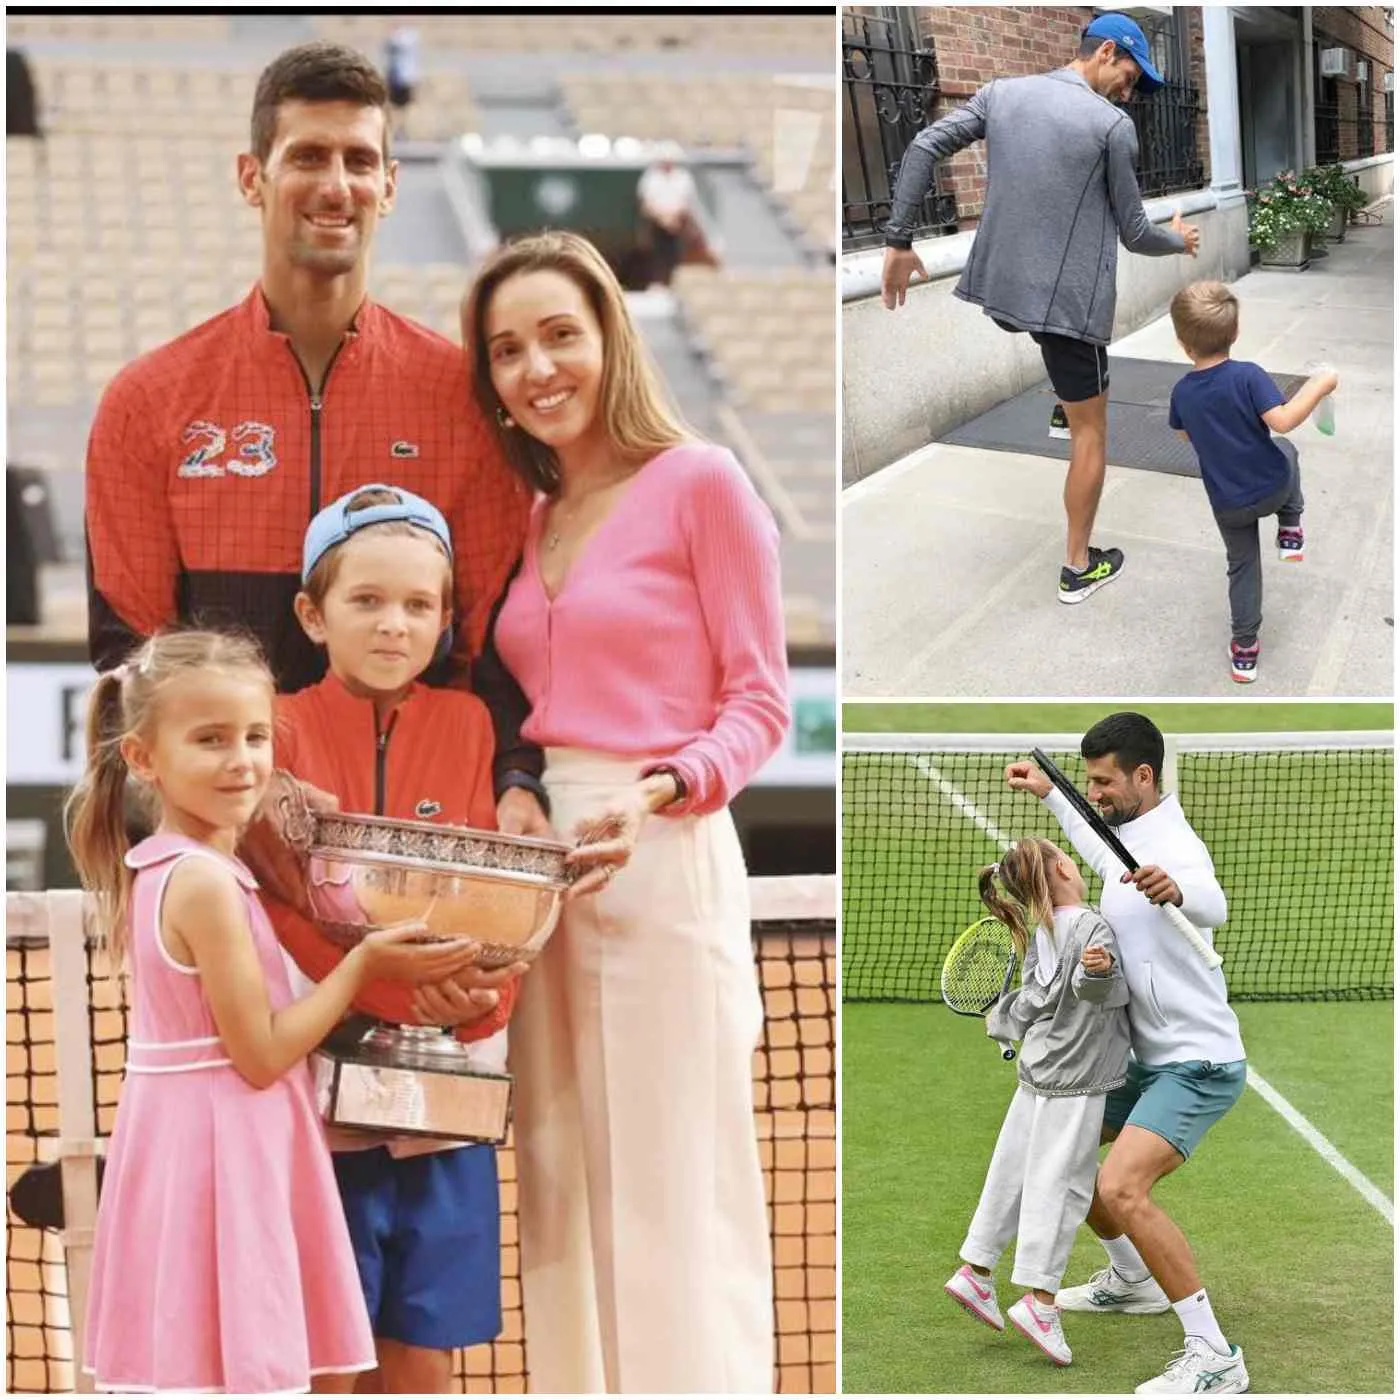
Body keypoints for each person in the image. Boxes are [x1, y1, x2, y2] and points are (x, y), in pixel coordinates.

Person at [461, 229, 790, 1393]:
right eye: (506, 349)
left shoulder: (701, 481)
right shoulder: (525, 512)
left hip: (660, 849)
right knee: (557, 1175)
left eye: (558, 334)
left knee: (668, 1179)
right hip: (541, 864)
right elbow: (514, 697)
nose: (535, 368)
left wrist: (658, 791)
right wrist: (515, 791)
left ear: (610, 334)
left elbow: (760, 701)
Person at [82, 40, 550, 832]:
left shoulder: (464, 401)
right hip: (218, 845)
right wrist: (248, 793)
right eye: (307, 156)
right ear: (251, 177)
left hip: (407, 851)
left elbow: (487, 646)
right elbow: (132, 658)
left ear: (390, 187)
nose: (337, 186)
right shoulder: (147, 402)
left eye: (360, 161)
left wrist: (514, 779)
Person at [65, 629, 477, 1394]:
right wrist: (363, 965)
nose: (242, 760)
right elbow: (259, 1053)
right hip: (226, 1149)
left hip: (202, 1143)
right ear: (146, 758)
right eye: (210, 740)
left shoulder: (175, 868)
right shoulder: (206, 885)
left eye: (255, 737)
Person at [881, 14, 1202, 604]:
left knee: (1057, 363)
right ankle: (1079, 567)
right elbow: (1133, 232)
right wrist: (1179, 241)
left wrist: (900, 240)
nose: (1131, 92)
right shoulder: (1110, 125)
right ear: (1106, 51)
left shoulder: (1002, 93)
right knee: (1092, 433)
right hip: (1066, 310)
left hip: (1003, 291)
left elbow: (926, 143)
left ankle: (1062, 402)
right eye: (1132, 76)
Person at [1005, 711, 1250, 1395]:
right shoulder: (1127, 833)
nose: (1097, 792)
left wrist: (1178, 890)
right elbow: (1098, 847)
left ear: (1145, 776)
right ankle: (1133, 1280)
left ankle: (1215, 1355)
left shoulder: (1175, 843)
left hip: (1197, 1062)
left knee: (1119, 1186)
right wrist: (1052, 795)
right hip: (1143, 1060)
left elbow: (1214, 903)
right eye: (1089, 782)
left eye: (1104, 782)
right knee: (1067, 1151)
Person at [945, 838, 1128, 1369]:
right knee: (1063, 1185)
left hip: (1037, 1073)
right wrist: (1099, 972)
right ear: (1066, 867)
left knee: (1012, 1172)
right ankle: (1041, 1301)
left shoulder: (1040, 930)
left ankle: (976, 1270)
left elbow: (1033, 999)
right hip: (1076, 1080)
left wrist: (1003, 1021)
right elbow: (1097, 993)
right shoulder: (1092, 926)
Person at [1167, 280, 1340, 684]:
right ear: (1236, 333)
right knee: (1287, 452)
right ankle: (1291, 528)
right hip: (1273, 489)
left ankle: (1245, 651)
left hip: (1228, 503)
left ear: (1182, 343)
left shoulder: (1182, 393)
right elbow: (1282, 422)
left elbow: (1182, 434)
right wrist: (1320, 385)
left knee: (1242, 567)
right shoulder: (1248, 376)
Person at [636, 152, 700, 287]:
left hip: (678, 222)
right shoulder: (650, 178)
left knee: (676, 253)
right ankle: (656, 282)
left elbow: (686, 202)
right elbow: (646, 202)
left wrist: (673, 219)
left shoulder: (683, 177)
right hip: (656, 222)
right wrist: (662, 219)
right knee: (656, 253)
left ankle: (675, 283)